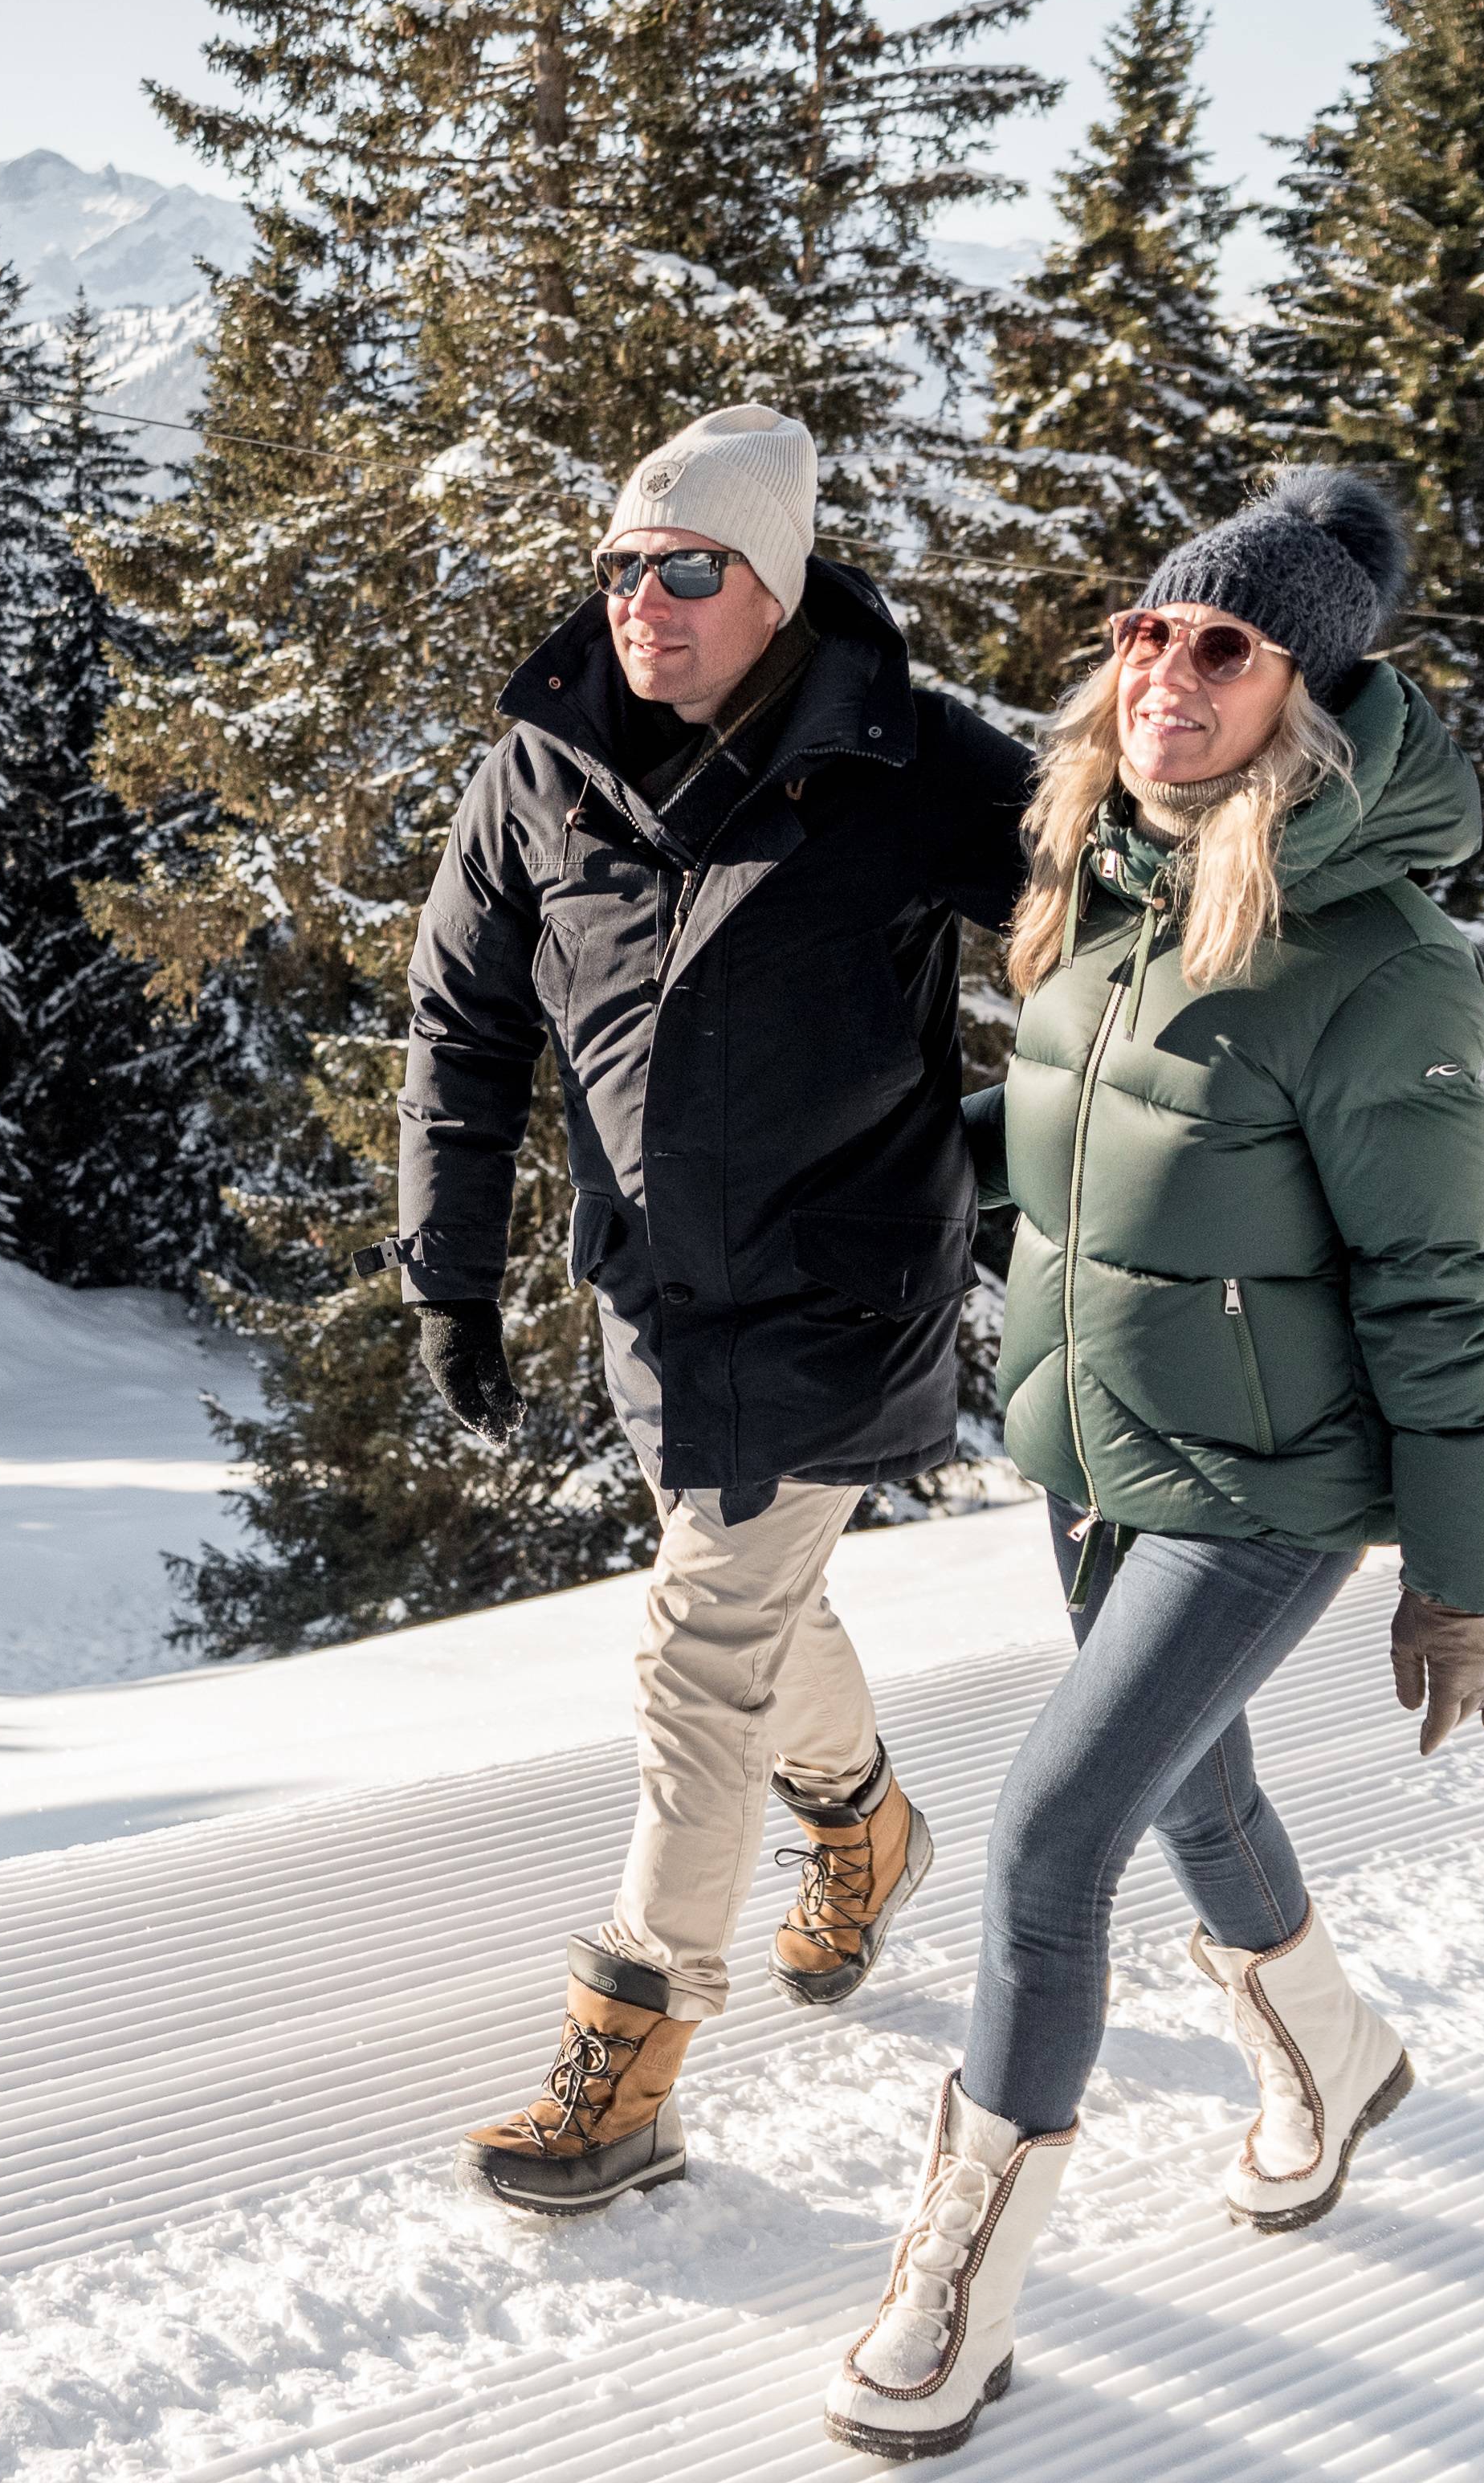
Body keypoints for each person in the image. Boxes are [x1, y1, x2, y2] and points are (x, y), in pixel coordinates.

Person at [824, 467, 1484, 2462]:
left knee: (1051, 1838)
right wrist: (874, 1184)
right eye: (1145, 630)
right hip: (1088, 1436)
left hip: (1266, 1479)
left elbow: (1437, 1284)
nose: (1164, 667)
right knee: (1186, 1785)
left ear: (1300, 693)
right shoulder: (1118, 882)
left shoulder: (1372, 958)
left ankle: (956, 2278)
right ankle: (1330, 2056)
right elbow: (1081, 1144)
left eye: (1220, 642)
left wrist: (1469, 1569)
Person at [389, 403, 1034, 2215]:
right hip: (662, 1302)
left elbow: (1110, 921)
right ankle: (863, 1821)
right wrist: (444, 1275)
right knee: (751, 1591)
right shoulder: (536, 771)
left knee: (697, 1652)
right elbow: (462, 1029)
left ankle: (631, 2052)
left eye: (691, 569)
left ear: (775, 587)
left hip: (838, 1290)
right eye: (619, 566)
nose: (643, 602)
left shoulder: (902, 762)